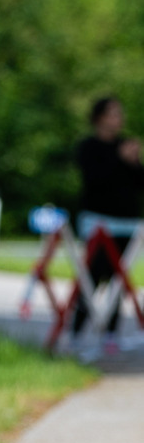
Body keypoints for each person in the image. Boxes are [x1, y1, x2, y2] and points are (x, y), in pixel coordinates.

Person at [71, 96, 144, 339]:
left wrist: (134, 162)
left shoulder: (125, 144)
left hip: (126, 222)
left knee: (118, 277)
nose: (119, 118)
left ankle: (111, 333)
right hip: (97, 221)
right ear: (99, 117)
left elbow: (138, 183)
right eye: (114, 113)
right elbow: (94, 180)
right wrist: (119, 159)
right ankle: (76, 329)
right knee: (93, 274)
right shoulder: (89, 147)